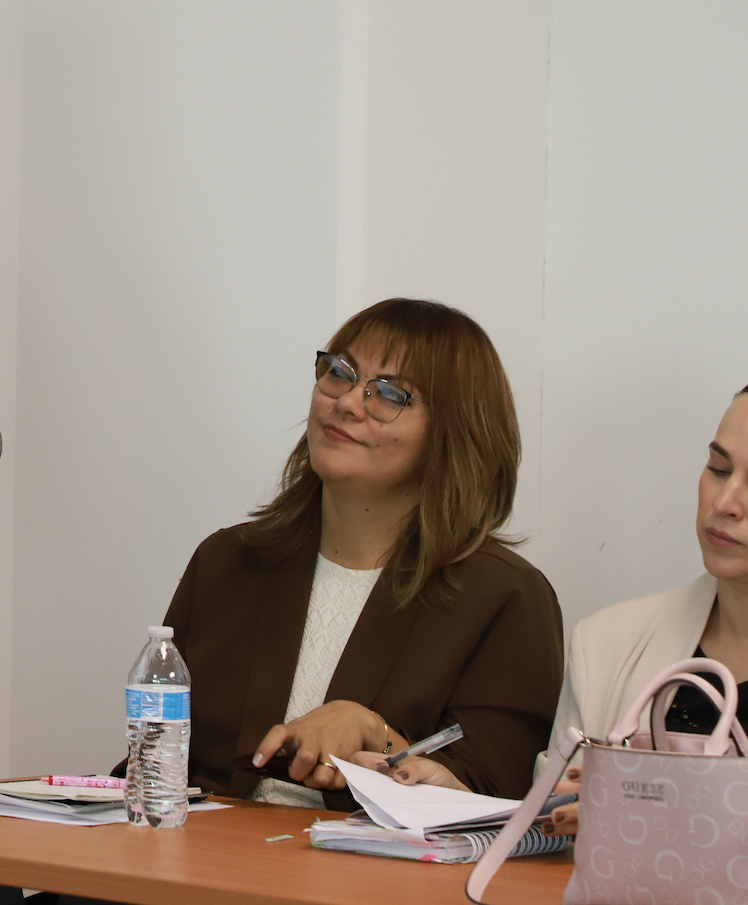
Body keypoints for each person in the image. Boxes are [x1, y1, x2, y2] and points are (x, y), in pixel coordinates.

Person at [121, 298, 563, 808]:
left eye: (391, 393)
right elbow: (152, 771)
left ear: (455, 434)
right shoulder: (228, 561)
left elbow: (500, 803)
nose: (349, 402)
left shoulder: (505, 596)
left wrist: (377, 734)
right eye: (340, 372)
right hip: (205, 851)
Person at [404, 385, 748, 837]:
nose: (724, 503)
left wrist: (664, 817)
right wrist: (458, 801)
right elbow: (556, 833)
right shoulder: (607, 644)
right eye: (718, 469)